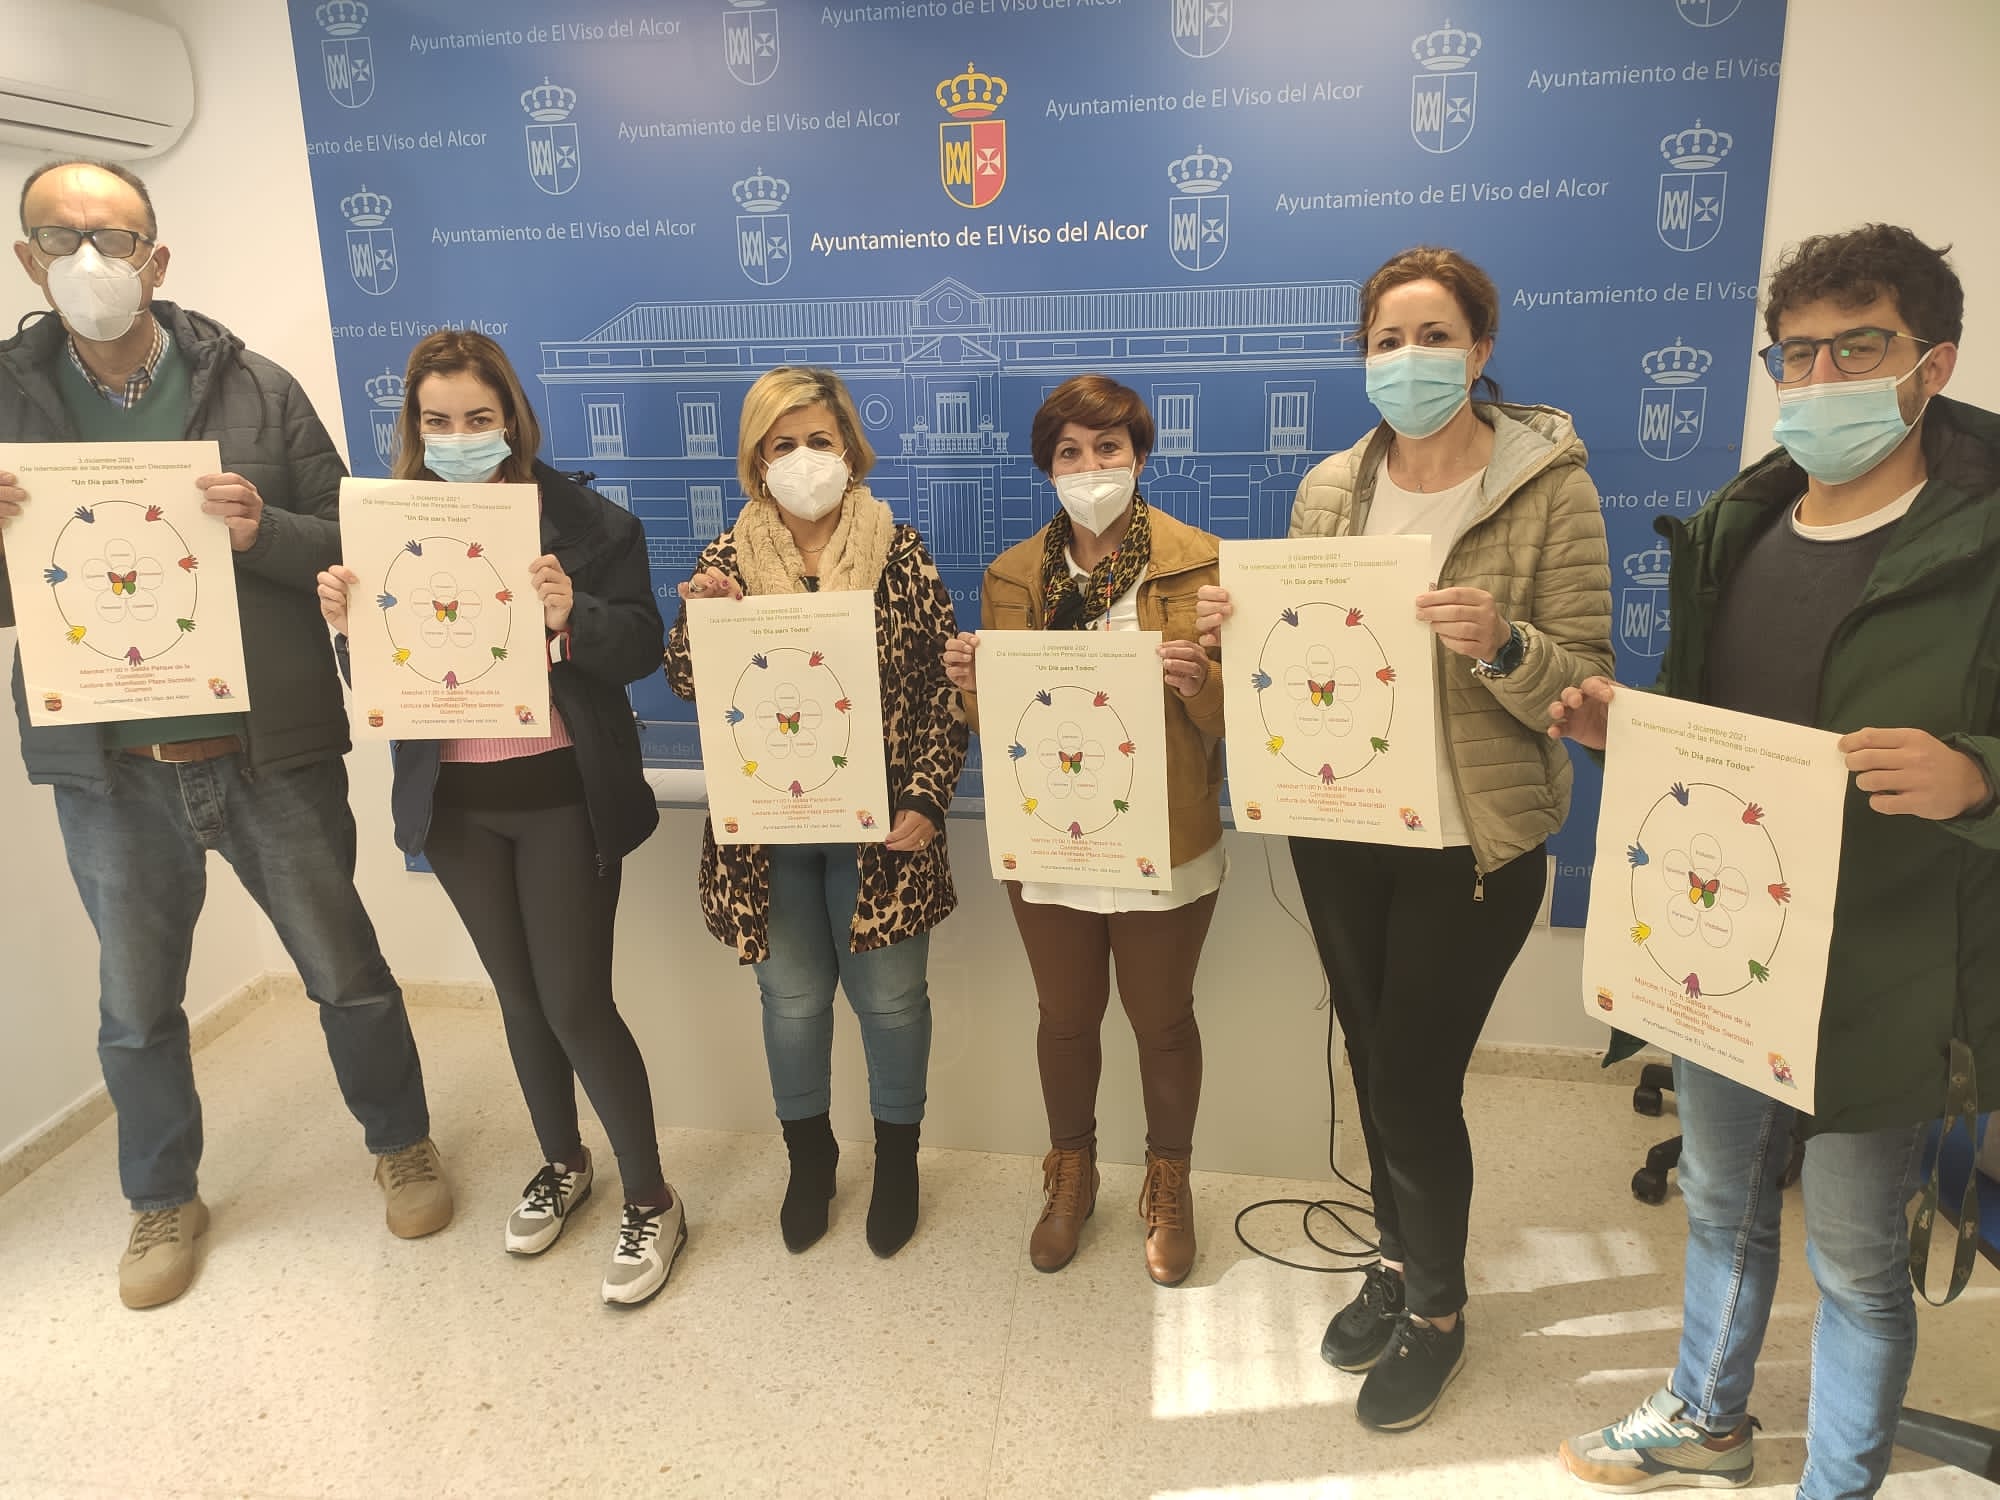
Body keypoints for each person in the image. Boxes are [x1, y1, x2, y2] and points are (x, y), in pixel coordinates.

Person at [1551, 225, 2000, 1498]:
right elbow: (1717, 740)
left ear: (1930, 364)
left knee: (1853, 1259)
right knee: (1720, 1204)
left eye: (1855, 347)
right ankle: (1707, 1417)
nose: (1817, 378)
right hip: (1731, 942)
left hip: (1892, 964)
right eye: (1793, 355)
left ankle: (1835, 1484)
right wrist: (1625, 735)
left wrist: (1975, 773)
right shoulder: (1732, 530)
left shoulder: (1981, 539)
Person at [0, 160, 449, 1310]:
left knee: (345, 972)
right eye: (61, 237)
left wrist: (264, 533)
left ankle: (401, 1143)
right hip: (110, 770)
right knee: (135, 1006)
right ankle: (162, 1197)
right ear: (27, 259)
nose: (90, 261)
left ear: (156, 256)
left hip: (268, 752)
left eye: (115, 238)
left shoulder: (256, 386)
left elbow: (351, 544)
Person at [1196, 246, 1614, 1427]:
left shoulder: (1549, 488)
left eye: (1434, 337)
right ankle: (1394, 1259)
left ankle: (1435, 1313)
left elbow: (1583, 688)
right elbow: (1305, 658)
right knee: (1371, 1059)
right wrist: (1237, 632)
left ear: (1480, 351)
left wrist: (1500, 644)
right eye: (1386, 340)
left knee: (1414, 1081)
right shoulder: (1331, 487)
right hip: (1341, 824)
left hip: (1471, 842)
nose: (1408, 359)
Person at [316, 332, 683, 1306]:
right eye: (437, 421)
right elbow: (387, 680)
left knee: (576, 1004)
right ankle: (564, 1162)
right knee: (518, 1001)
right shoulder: (387, 526)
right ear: (413, 426)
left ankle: (652, 1197)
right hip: (457, 808)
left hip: (562, 799)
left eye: (479, 418)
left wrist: (573, 614)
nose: (459, 437)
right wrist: (350, 630)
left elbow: (641, 646)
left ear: (512, 419)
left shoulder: (591, 524)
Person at [664, 366, 967, 1259]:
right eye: (783, 444)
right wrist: (701, 624)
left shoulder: (899, 551)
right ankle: (810, 1159)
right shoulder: (727, 559)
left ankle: (899, 1162)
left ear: (850, 450)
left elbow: (942, 689)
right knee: (791, 1002)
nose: (804, 458)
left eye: (819, 441)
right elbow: (686, 682)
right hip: (768, 834)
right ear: (758, 460)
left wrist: (927, 796)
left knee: (893, 1003)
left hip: (885, 833)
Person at [944, 373, 1227, 1288]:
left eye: (1108, 447)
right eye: (1070, 452)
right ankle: (1071, 1177)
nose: (1090, 465)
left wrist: (1203, 684)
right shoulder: (1013, 577)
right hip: (1052, 834)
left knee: (1162, 1020)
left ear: (1139, 455)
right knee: (1065, 1020)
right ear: (1048, 469)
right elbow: (1002, 724)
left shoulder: (1203, 566)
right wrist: (969, 686)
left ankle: (1168, 1183)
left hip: (1164, 833)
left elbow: (1246, 718)